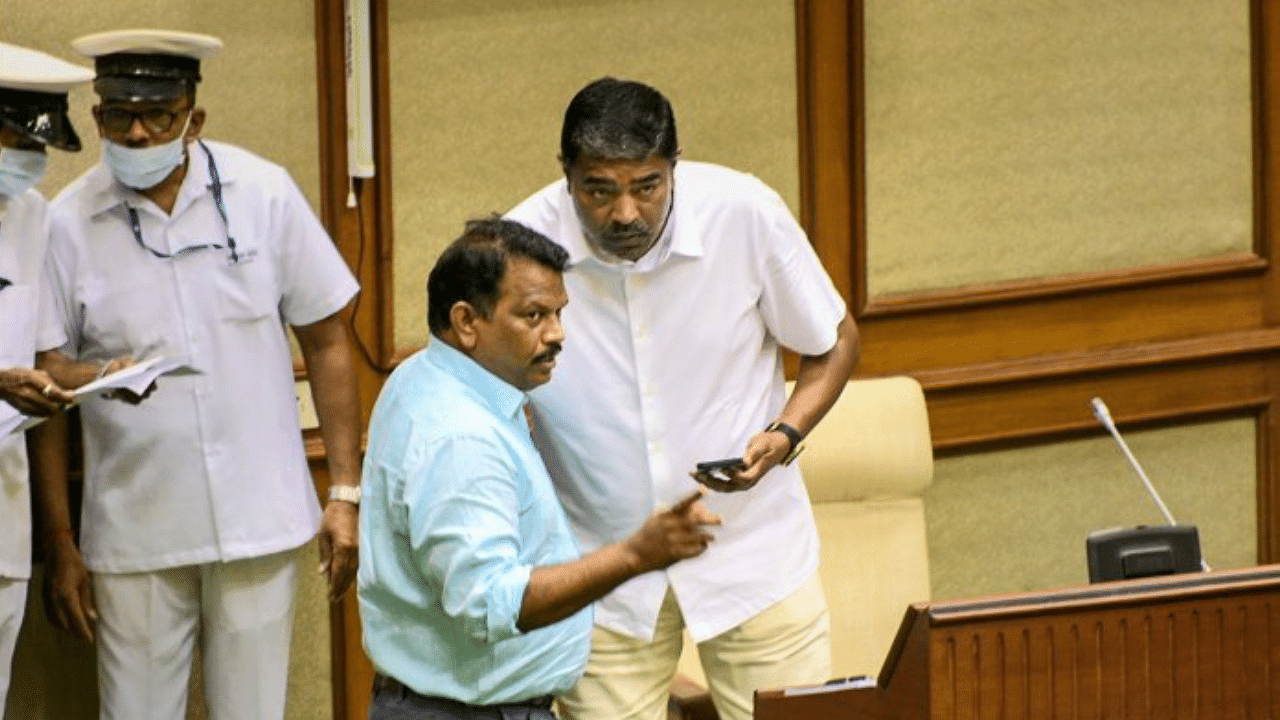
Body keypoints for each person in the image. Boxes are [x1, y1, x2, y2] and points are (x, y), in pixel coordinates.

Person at [505, 77, 861, 720]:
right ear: (565, 175)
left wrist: (785, 434)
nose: (624, 213)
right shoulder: (516, 246)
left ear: (675, 167)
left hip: (755, 557)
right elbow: (477, 391)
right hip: (601, 570)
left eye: (646, 186)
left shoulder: (744, 213)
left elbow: (834, 340)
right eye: (598, 190)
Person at [34, 29, 363, 720]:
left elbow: (329, 337)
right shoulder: (65, 224)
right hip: (135, 525)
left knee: (253, 711)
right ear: (96, 119)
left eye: (159, 114)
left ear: (194, 118)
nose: (139, 131)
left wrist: (344, 490)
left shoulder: (263, 193)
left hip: (259, 515)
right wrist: (60, 541)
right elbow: (47, 379)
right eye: (119, 114)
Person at [358, 217, 720, 720]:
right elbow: (489, 604)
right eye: (533, 316)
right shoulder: (460, 437)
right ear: (466, 322)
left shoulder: (423, 376)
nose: (557, 335)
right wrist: (636, 555)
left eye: (558, 313)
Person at [0, 40, 99, 711]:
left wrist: (99, 375)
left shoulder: (32, 215)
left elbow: (40, 361)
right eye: (12, 139)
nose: (26, 160)